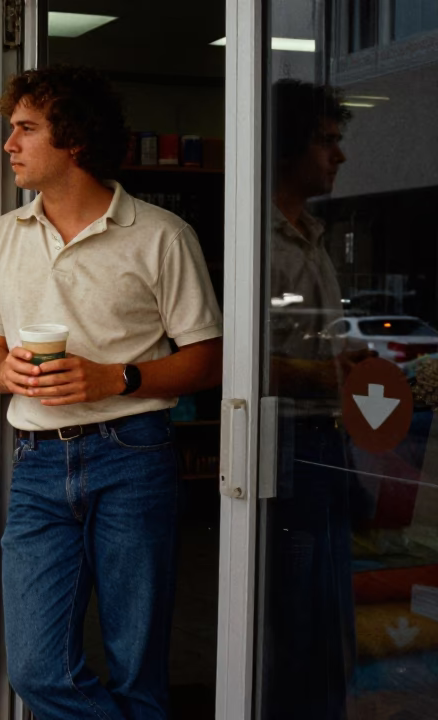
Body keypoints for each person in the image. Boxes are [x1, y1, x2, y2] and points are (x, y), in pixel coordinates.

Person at [0, 65, 223, 720]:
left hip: (134, 455)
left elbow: (209, 361)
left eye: (26, 129)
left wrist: (118, 377)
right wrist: (3, 374)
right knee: (36, 671)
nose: (9, 145)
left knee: (137, 667)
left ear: (75, 140)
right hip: (37, 462)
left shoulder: (163, 236)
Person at [260, 78, 358, 720]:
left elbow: (311, 345)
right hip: (284, 446)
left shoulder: (314, 234)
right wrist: (322, 376)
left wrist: (343, 365)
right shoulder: (256, 240)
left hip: (327, 442)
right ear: (288, 146)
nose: (339, 155)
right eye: (326, 141)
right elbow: (237, 362)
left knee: (327, 616)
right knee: (294, 618)